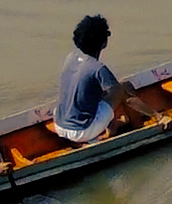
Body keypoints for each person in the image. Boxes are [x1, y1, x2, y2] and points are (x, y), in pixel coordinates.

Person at [51, 14, 146, 145]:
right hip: (81, 131)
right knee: (123, 88)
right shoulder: (98, 68)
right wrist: (158, 116)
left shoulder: (70, 57)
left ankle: (113, 126)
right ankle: (139, 127)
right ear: (104, 43)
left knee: (107, 91)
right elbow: (125, 96)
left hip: (58, 125)